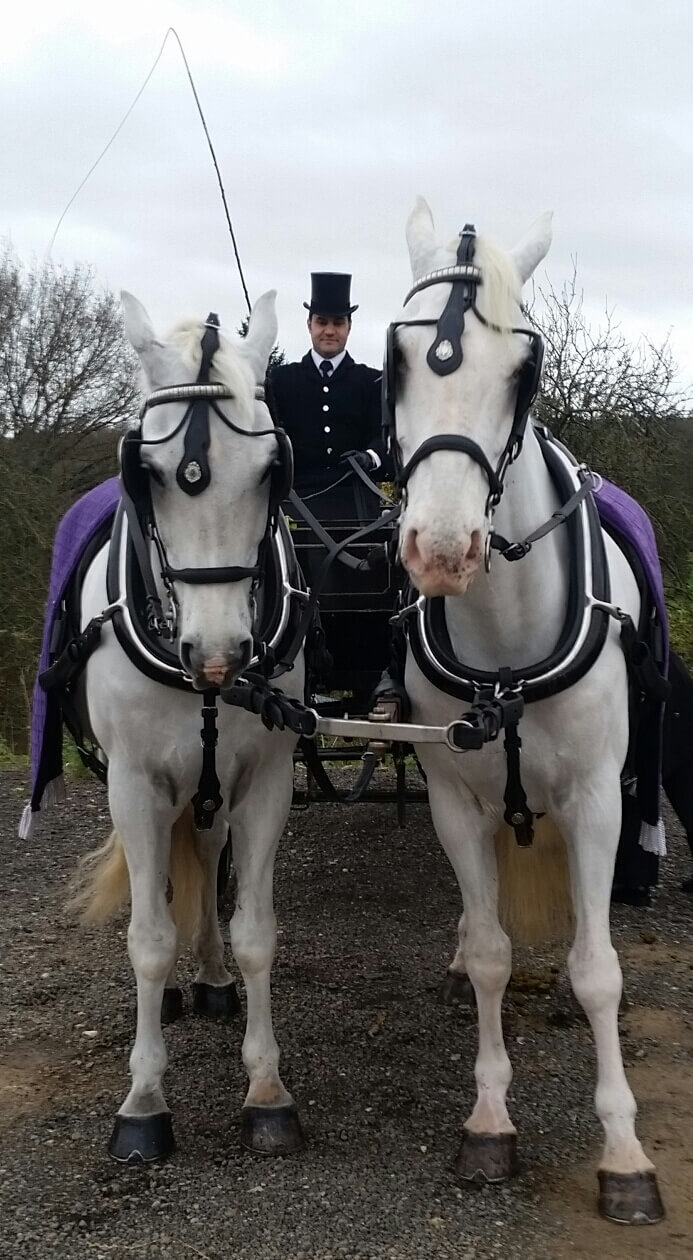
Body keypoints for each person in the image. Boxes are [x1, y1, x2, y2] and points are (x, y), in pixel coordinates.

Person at [268, 272, 390, 516]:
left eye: (338, 323)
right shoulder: (280, 381)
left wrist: (369, 457)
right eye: (322, 322)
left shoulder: (372, 382)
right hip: (294, 505)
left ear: (349, 326)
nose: (330, 331)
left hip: (356, 504)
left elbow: (384, 439)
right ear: (309, 325)